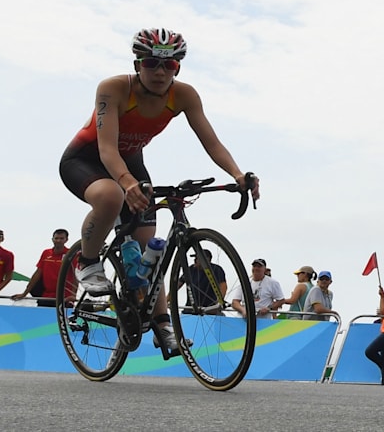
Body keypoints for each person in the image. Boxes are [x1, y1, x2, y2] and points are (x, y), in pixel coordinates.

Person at [57, 28, 258, 357]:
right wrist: (126, 182)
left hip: (131, 164)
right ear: (138, 64)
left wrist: (237, 175)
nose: (161, 72)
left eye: (170, 65)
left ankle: (162, 324)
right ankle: (88, 262)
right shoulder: (113, 88)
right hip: (87, 160)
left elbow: (211, 142)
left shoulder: (184, 95)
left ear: (178, 67)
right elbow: (107, 149)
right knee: (111, 196)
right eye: (152, 63)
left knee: (149, 249)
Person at [9, 228, 72, 307]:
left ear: (66, 240)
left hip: (65, 297)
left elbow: (76, 275)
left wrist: (73, 295)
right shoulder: (46, 253)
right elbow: (37, 273)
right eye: (56, 238)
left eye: (61, 238)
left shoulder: (71, 253)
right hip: (46, 296)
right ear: (52, 239)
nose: (58, 241)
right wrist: (24, 293)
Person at [178, 247, 227, 313]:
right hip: (191, 308)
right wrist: (167, 299)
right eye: (195, 258)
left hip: (210, 309)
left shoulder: (216, 269)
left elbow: (223, 286)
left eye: (197, 258)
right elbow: (178, 284)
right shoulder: (190, 269)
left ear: (207, 259)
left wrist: (219, 302)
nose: (195, 260)